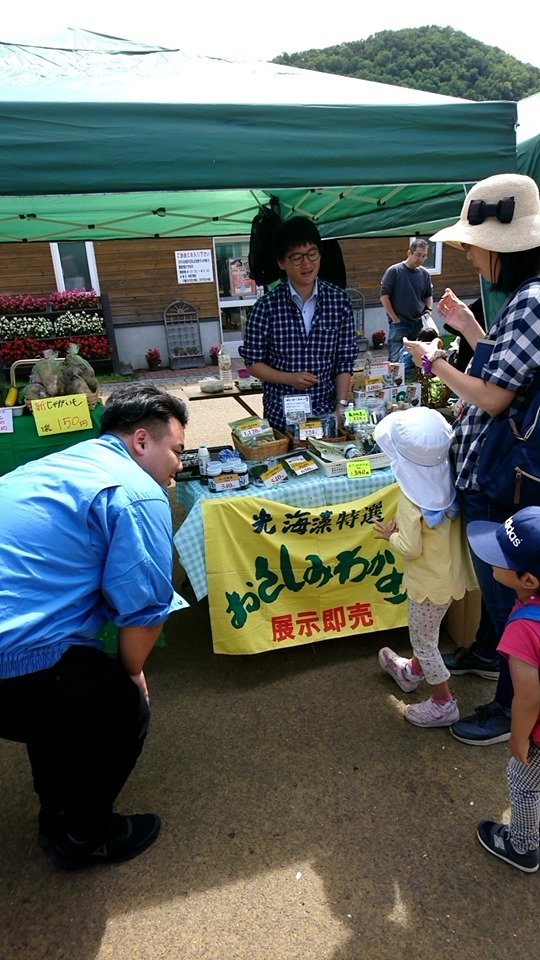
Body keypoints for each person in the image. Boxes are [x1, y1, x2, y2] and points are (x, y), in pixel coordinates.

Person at [0, 382, 188, 869]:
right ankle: (85, 834)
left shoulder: (67, 461)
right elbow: (145, 611)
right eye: (177, 450)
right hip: (17, 653)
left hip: (20, 641)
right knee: (121, 705)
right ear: (142, 441)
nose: (179, 466)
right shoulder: (139, 493)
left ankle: (55, 814)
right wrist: (132, 674)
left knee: (67, 699)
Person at [403, 173, 540, 746]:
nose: (467, 254)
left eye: (470, 244)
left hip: (506, 473)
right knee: (498, 590)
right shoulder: (526, 297)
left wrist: (435, 363)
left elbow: (491, 394)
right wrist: (466, 328)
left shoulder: (533, 300)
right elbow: (507, 368)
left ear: (503, 246)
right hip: (498, 469)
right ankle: (487, 657)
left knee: (510, 593)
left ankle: (509, 710)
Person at [373, 407, 477, 727]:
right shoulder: (450, 478)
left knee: (424, 641)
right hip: (450, 576)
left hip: (426, 584)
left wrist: (391, 536)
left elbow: (410, 547)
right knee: (428, 633)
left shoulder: (410, 498)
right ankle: (411, 672)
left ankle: (443, 702)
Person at [467, 508, 540, 873]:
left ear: (528, 579)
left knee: (523, 781)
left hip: (539, 734)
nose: (490, 559)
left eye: (501, 558)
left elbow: (528, 697)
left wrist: (519, 737)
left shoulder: (524, 629)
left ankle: (523, 846)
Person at [241, 216, 357, 433]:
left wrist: (341, 405)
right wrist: (289, 378)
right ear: (281, 262)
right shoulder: (265, 307)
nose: (307, 263)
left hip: (326, 413)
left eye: (312, 253)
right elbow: (253, 362)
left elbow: (345, 359)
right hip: (282, 416)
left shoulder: (339, 301)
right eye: (296, 257)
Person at [380, 239, 434, 375]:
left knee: (415, 361)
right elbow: (384, 297)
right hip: (399, 324)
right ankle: (394, 390)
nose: (421, 259)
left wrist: (429, 310)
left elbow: (429, 295)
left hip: (418, 324)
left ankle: (413, 389)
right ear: (409, 253)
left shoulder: (425, 274)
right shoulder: (395, 271)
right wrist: (394, 318)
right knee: (395, 361)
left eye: (424, 256)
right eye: (418, 254)